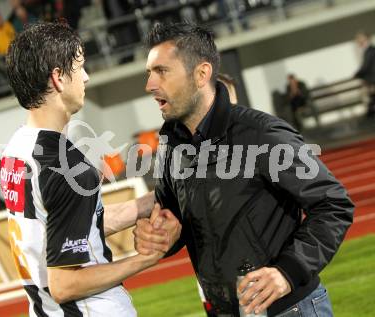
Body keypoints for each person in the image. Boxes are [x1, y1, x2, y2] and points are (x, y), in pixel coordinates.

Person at [134, 22, 354, 317]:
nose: (150, 84)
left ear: (201, 74)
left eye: (162, 71)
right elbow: (178, 222)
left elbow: (333, 204)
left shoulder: (261, 133)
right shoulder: (170, 147)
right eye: (149, 73)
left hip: (291, 310)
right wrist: (162, 236)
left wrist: (288, 272)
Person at [3, 22, 181, 316]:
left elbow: (72, 222)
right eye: (80, 66)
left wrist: (157, 200)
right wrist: (149, 257)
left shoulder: (16, 149)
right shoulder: (65, 165)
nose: (86, 77)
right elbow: (64, 285)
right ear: (58, 78)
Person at [354, 31, 375, 118]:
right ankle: (369, 112)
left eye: (359, 39)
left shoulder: (369, 50)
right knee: (371, 97)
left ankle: (369, 113)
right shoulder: (368, 50)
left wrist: (357, 74)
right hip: (371, 80)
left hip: (373, 79)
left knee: (371, 97)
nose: (358, 41)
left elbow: (366, 66)